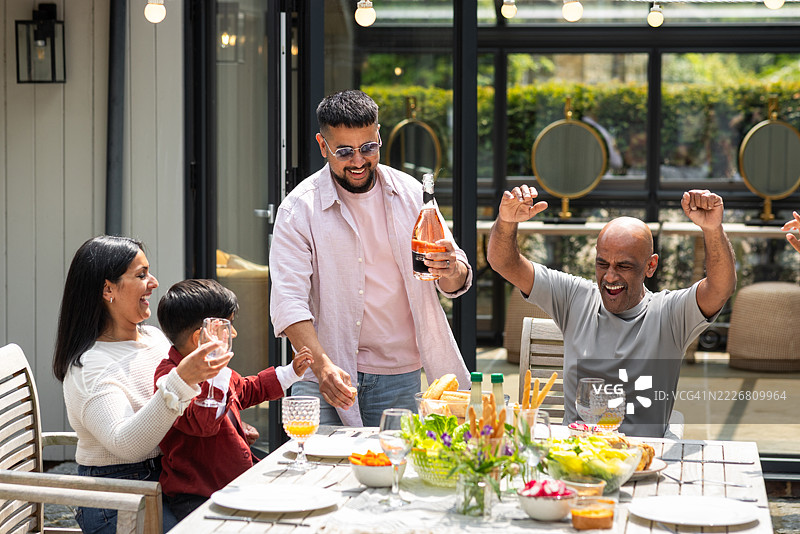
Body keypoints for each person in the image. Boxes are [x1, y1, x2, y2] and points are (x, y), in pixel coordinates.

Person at [269, 89, 472, 427]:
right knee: (314, 473)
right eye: (344, 152)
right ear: (323, 146)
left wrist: (450, 268)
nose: (359, 161)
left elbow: (456, 275)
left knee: (392, 473)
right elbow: (289, 302)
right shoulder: (298, 209)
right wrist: (322, 367)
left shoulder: (410, 194)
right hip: (322, 371)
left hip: (397, 376)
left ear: (379, 135)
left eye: (368, 148)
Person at [487, 186, 736, 437]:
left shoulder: (669, 313)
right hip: (576, 453)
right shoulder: (574, 297)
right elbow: (504, 263)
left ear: (650, 266)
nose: (610, 276)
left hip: (641, 458)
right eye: (602, 263)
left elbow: (720, 288)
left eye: (624, 266)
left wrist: (713, 229)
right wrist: (506, 222)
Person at [53, 236, 229, 533]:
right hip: (117, 498)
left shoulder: (153, 339)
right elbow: (128, 445)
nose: (154, 282)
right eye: (141, 275)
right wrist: (182, 380)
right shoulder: (90, 367)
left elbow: (176, 409)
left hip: (170, 478)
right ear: (108, 289)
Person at [154, 279, 313, 520]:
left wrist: (290, 372)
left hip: (236, 483)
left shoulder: (219, 374)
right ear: (201, 338)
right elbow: (203, 424)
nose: (234, 333)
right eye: (228, 326)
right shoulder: (171, 377)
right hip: (197, 495)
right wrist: (216, 373)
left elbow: (247, 390)